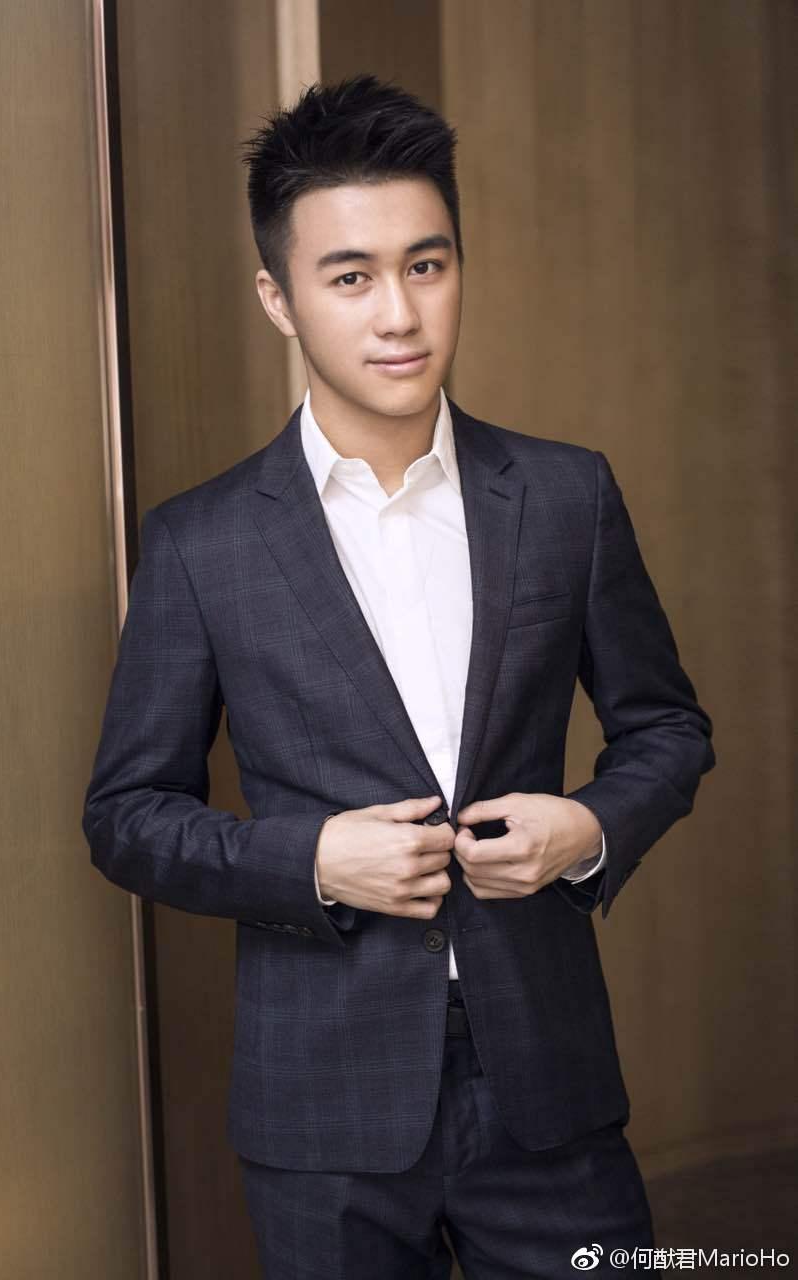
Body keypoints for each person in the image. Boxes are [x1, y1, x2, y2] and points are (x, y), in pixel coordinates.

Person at [83, 73, 716, 1277]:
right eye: (350, 277)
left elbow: (668, 727)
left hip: (549, 1082)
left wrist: (587, 825)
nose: (400, 315)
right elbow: (125, 815)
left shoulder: (566, 495)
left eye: (427, 265)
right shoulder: (202, 542)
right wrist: (312, 859)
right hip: (322, 1107)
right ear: (278, 298)